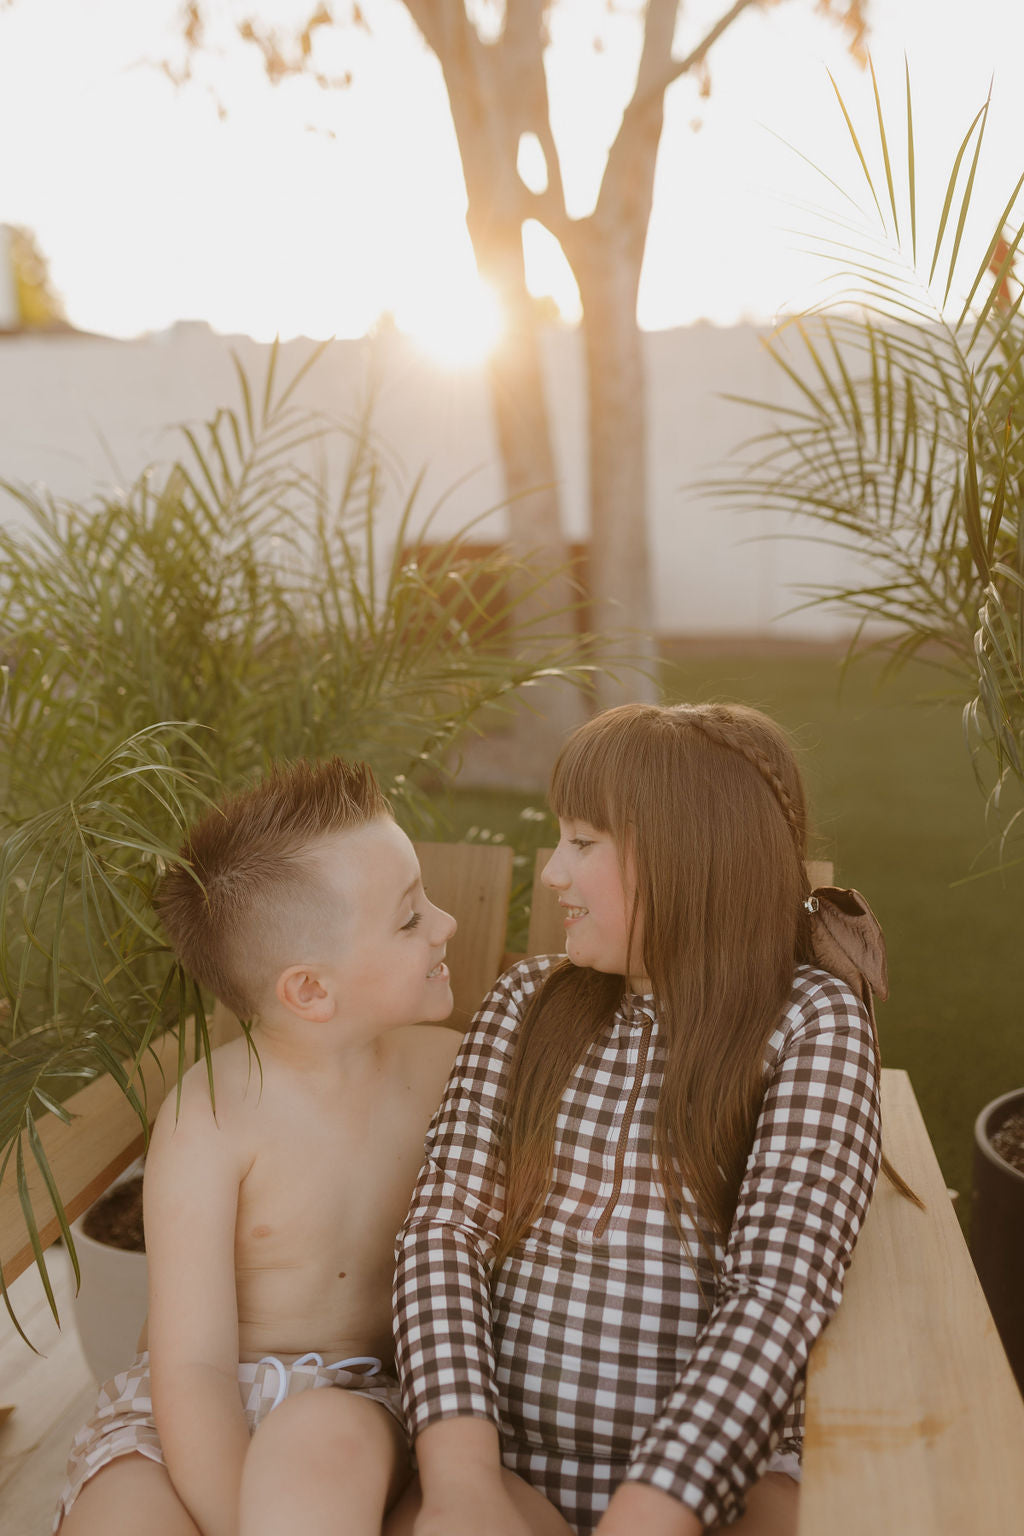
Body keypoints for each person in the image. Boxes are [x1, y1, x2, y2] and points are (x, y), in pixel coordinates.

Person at [389, 702, 888, 1536]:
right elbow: (444, 1231)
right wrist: (463, 1481)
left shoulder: (808, 1024)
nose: (552, 872)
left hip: (710, 1481)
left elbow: (776, 1289)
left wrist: (652, 1511)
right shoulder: (526, 1003)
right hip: (505, 1461)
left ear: (687, 855)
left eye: (582, 842)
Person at [56, 757, 460, 1536]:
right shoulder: (210, 1117)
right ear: (311, 989)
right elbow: (192, 1367)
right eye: (410, 917)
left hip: (355, 1403)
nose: (444, 924)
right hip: (186, 1408)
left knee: (321, 1447)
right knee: (121, 1518)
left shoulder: (450, 1073)